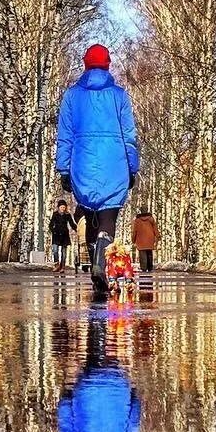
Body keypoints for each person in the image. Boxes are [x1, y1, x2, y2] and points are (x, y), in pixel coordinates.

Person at [55, 43, 139, 296]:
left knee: (88, 211)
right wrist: (132, 167)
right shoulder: (119, 95)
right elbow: (129, 136)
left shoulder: (72, 96)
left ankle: (94, 259)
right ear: (107, 65)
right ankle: (101, 260)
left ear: (85, 64)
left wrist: (63, 169)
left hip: (82, 161)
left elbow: (65, 135)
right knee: (107, 216)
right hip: (115, 162)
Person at [48, 199, 77, 271]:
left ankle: (62, 266)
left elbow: (72, 224)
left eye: (64, 207)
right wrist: (53, 230)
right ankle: (56, 264)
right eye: (61, 207)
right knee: (55, 250)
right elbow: (51, 224)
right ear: (58, 207)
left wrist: (76, 229)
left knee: (64, 252)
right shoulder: (55, 214)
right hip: (56, 234)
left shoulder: (67, 215)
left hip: (64, 235)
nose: (63, 209)